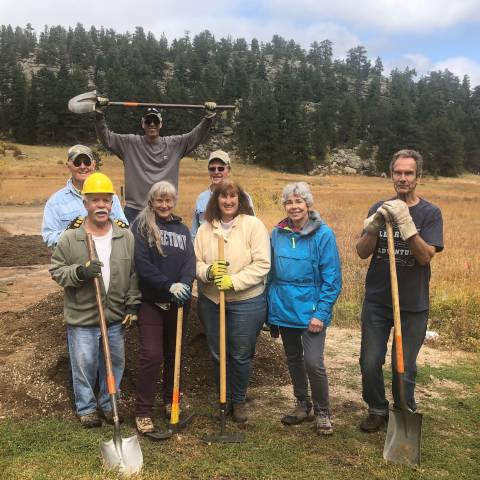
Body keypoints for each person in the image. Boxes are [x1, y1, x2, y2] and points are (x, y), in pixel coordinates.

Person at [356, 149, 443, 433]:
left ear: (419, 177)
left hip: (413, 303)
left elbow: (425, 256)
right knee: (369, 361)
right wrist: (374, 226)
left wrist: (407, 225)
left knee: (402, 366)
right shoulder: (378, 208)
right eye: (398, 172)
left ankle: (403, 409)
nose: (402, 178)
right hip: (378, 301)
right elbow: (361, 252)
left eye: (408, 173)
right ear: (391, 174)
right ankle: (377, 408)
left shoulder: (430, 213)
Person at [50, 172, 140, 428]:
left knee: (116, 362)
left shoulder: (125, 237)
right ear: (85, 203)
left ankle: (109, 403)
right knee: (84, 363)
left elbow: (134, 273)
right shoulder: (71, 238)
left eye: (106, 200)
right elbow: (56, 271)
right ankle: (87, 408)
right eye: (95, 200)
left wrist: (132, 304)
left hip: (114, 316)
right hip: (83, 317)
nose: (101, 205)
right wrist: (79, 272)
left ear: (112, 204)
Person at [267, 182, 342, 435]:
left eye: (298, 201)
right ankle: (302, 404)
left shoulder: (324, 234)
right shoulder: (276, 234)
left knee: (313, 362)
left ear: (308, 205)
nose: (294, 206)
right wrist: (271, 311)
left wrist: (321, 313)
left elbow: (332, 278)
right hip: (284, 307)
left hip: (311, 310)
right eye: (289, 202)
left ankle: (322, 411)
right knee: (293, 360)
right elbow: (270, 274)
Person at [194, 179, 270, 423]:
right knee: (218, 354)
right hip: (211, 301)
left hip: (246, 301)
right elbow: (193, 262)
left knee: (240, 354)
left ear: (240, 200)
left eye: (232, 197)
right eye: (222, 197)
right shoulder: (206, 229)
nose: (228, 201)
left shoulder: (253, 226)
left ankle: (238, 400)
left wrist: (234, 281)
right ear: (215, 200)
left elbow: (262, 265)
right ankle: (222, 398)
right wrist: (207, 271)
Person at [131, 181, 195, 435]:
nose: (164, 205)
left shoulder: (182, 228)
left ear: (174, 201)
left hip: (179, 303)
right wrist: (168, 285)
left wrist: (185, 284)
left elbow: (190, 261)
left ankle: (171, 401)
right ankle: (143, 411)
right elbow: (142, 264)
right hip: (151, 303)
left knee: (174, 355)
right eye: (159, 200)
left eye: (169, 200)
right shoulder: (143, 227)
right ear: (152, 202)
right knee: (152, 355)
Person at [95, 101, 217, 224]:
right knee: (130, 243)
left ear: (161, 124)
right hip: (134, 213)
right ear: (143, 124)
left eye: (156, 121)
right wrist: (99, 114)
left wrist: (208, 118)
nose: (152, 124)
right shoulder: (129, 143)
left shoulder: (174, 145)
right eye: (148, 121)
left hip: (163, 211)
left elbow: (195, 136)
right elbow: (107, 138)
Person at [42, 144, 127, 247]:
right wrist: (69, 234)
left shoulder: (110, 196)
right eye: (77, 163)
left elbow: (123, 228)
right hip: (73, 260)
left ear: (93, 165)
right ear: (68, 165)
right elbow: (49, 237)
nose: (83, 167)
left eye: (87, 162)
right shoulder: (55, 202)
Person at [191, 150, 255, 239]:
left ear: (228, 170)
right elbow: (195, 234)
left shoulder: (243, 197)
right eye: (212, 169)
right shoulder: (201, 198)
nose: (216, 172)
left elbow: (253, 230)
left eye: (220, 168)